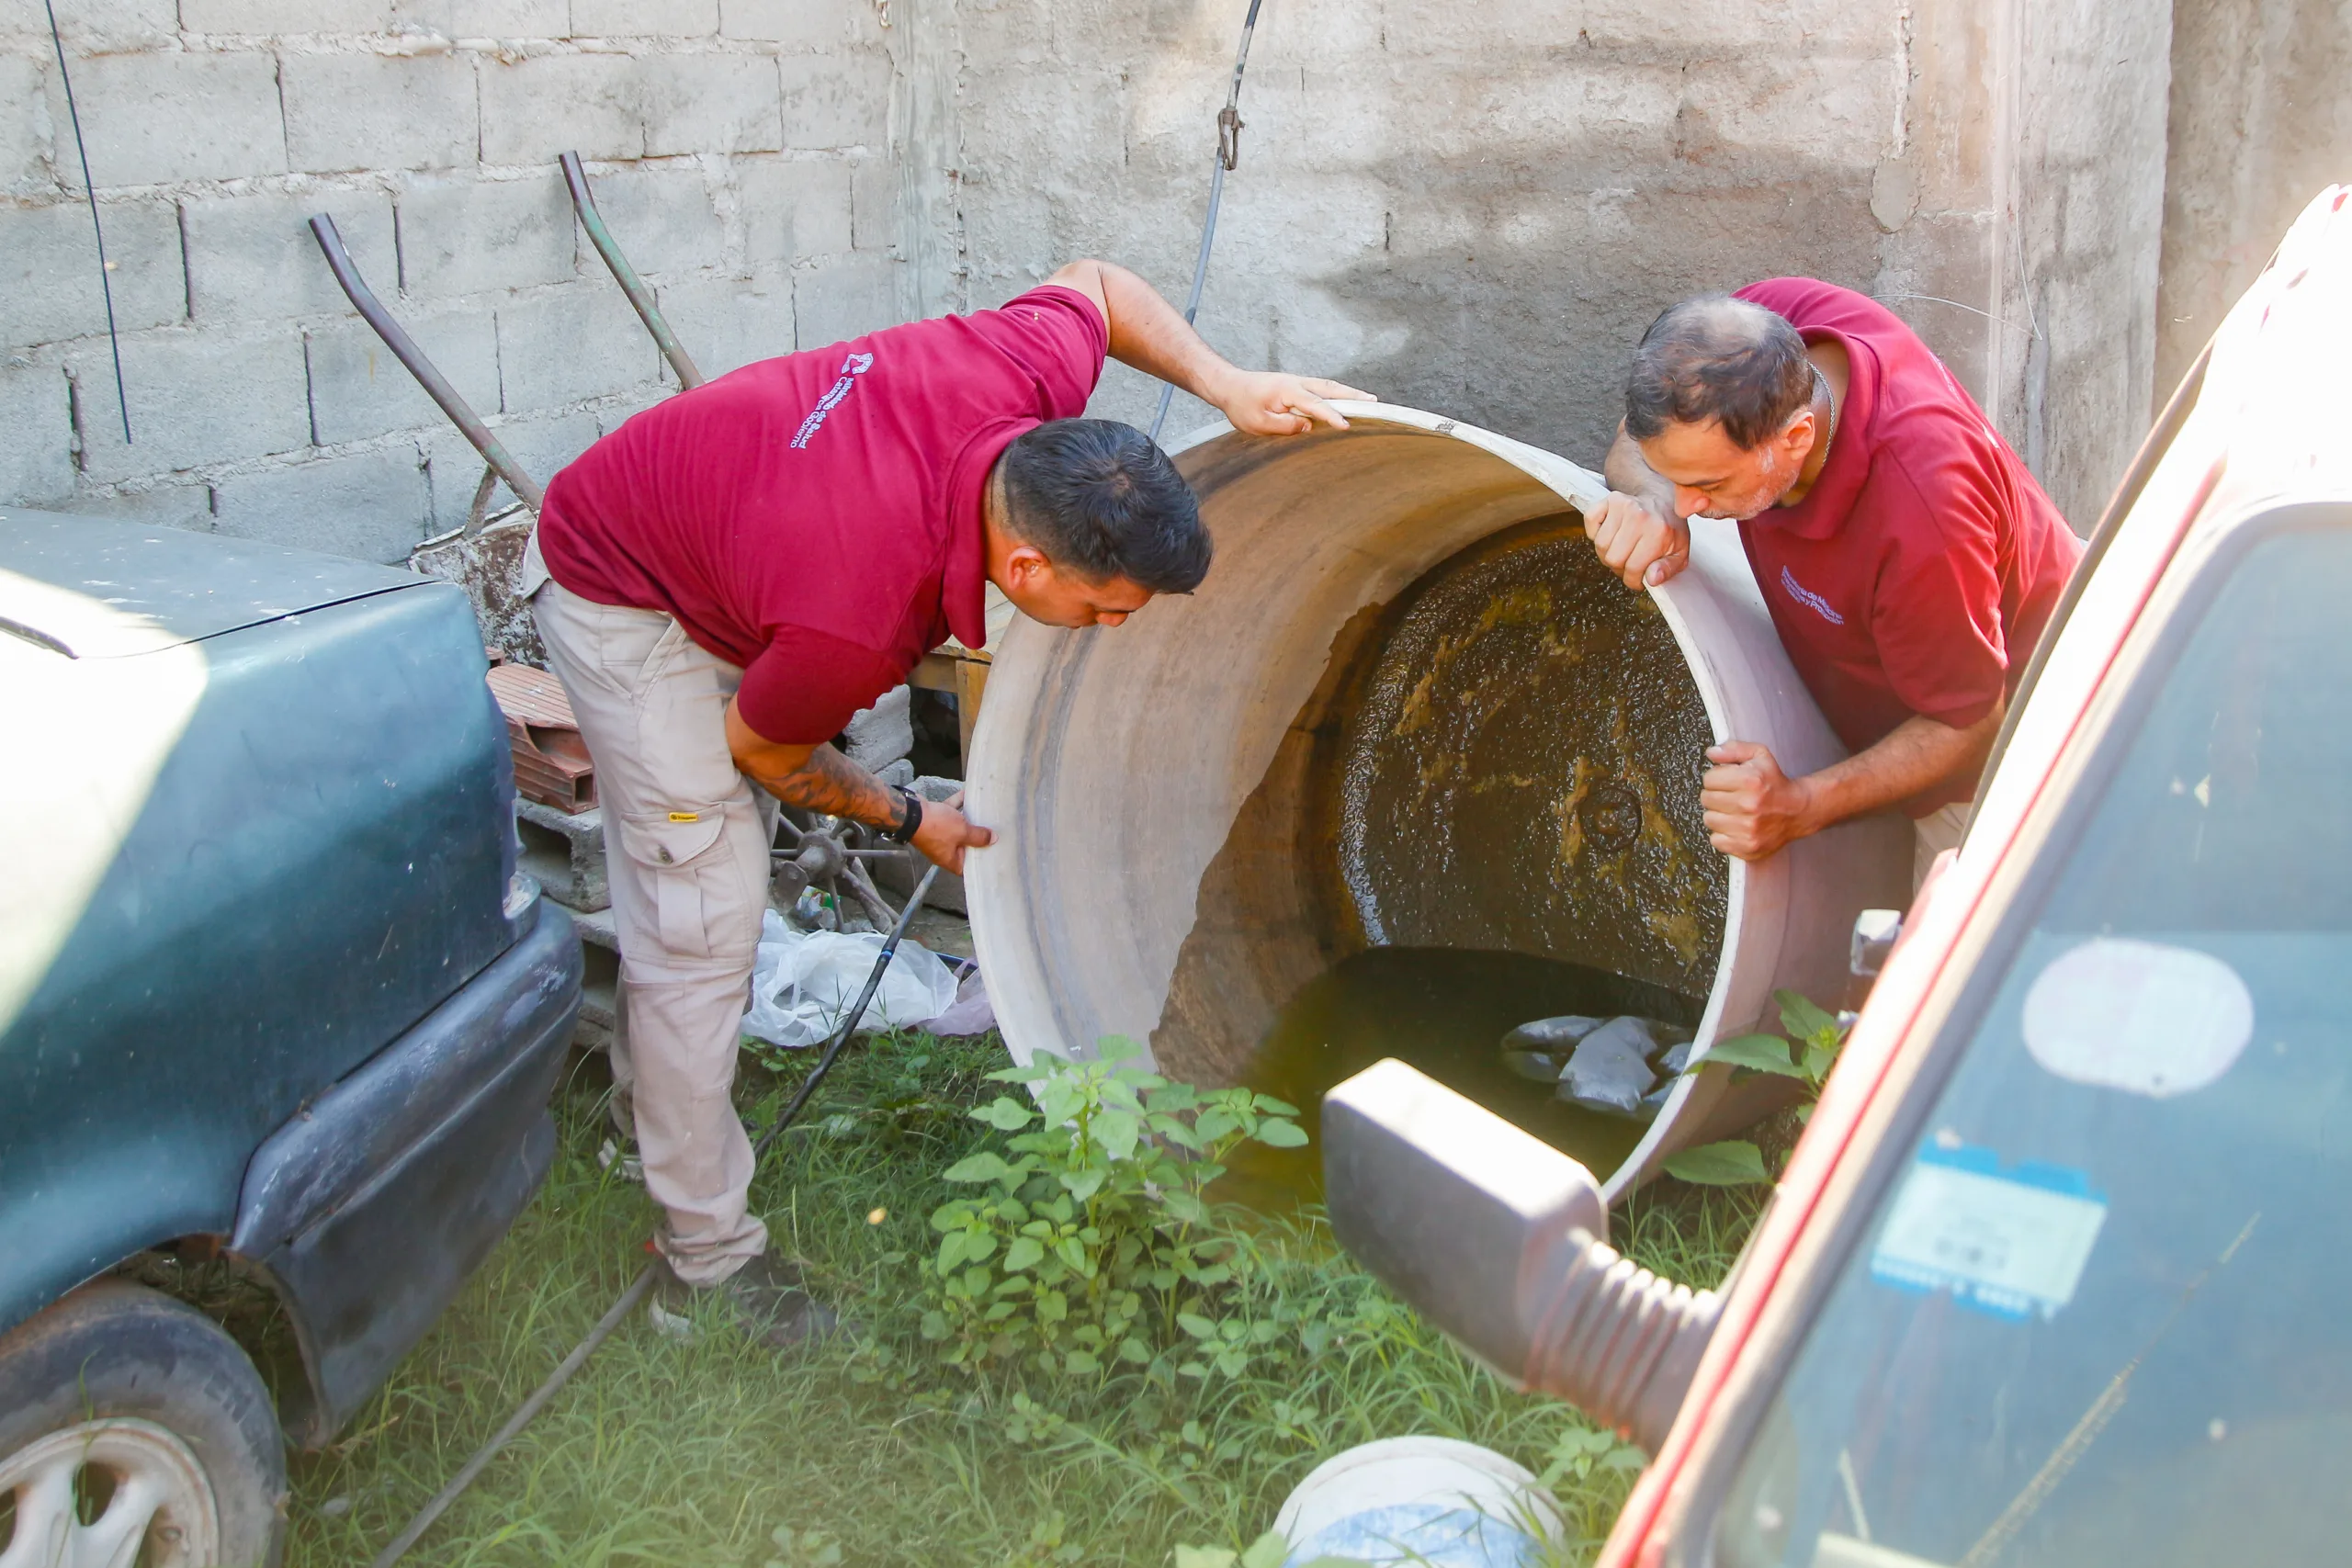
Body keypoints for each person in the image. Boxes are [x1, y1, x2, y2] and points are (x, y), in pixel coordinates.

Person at [519, 259, 1367, 1344]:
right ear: (1022, 565)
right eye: (1106, 609)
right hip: (621, 594)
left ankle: (658, 1113)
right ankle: (706, 1264)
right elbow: (763, 748)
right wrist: (913, 818)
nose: (1117, 629)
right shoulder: (853, 618)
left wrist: (1227, 383)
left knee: (715, 865)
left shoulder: (1020, 375)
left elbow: (1098, 289)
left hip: (725, 526)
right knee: (702, 918)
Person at [1578, 280, 2084, 885]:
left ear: (1795, 438)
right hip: (1898, 674)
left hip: (2014, 744)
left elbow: (1969, 724)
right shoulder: (1753, 338)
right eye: (1675, 477)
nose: (1688, 506)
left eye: (1709, 485)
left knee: (1934, 961)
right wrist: (1653, 495)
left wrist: (1800, 806)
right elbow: (1639, 437)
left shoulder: (1922, 518)